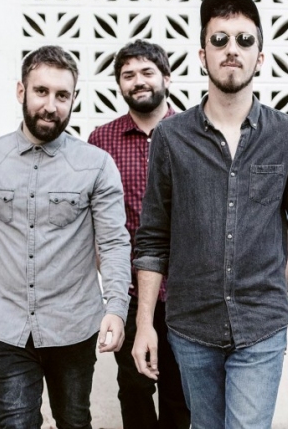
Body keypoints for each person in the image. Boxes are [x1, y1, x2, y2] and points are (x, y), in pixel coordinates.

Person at [131, 0, 288, 428]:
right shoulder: (171, 137)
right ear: (203, 56)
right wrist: (144, 325)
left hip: (261, 322)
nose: (231, 50)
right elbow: (153, 239)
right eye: (219, 40)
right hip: (191, 324)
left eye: (243, 40)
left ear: (260, 56)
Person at [0, 45, 131, 428]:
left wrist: (116, 307)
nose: (51, 106)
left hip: (73, 326)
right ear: (21, 91)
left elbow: (114, 242)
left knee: (73, 421)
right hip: (5, 327)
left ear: (73, 99)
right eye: (41, 91)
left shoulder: (96, 165)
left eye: (62, 95)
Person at [88, 39, 190, 429]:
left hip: (185, 291)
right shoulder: (102, 141)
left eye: (147, 72)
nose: (138, 81)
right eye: (128, 75)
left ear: (167, 77)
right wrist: (109, 275)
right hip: (128, 292)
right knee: (133, 387)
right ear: (119, 84)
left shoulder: (193, 134)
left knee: (181, 392)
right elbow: (93, 220)